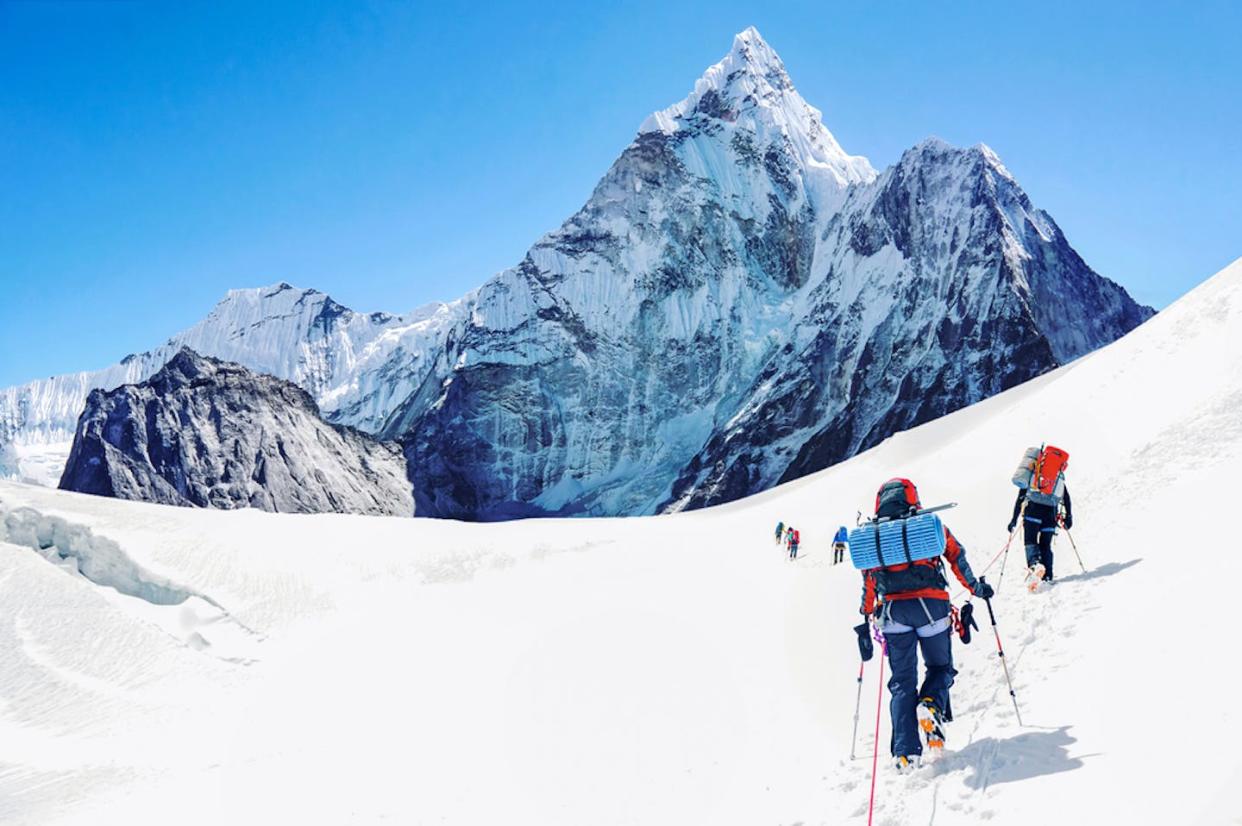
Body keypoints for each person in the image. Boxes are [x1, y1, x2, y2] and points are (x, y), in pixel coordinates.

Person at [859, 478, 993, 772]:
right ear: (913, 499)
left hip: (893, 613)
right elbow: (956, 555)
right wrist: (975, 588)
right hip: (932, 608)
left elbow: (869, 580)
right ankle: (931, 705)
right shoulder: (928, 525)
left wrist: (866, 612)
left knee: (902, 682)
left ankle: (906, 753)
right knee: (940, 668)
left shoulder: (874, 536)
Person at [1008, 482, 1073, 584]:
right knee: (1045, 545)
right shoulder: (1057, 477)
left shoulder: (1033, 476)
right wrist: (1068, 517)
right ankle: (1047, 576)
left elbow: (1021, 497)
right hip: (1050, 515)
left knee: (1030, 542)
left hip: (1033, 513)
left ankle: (1035, 565)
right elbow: (1066, 498)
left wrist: (1014, 519)